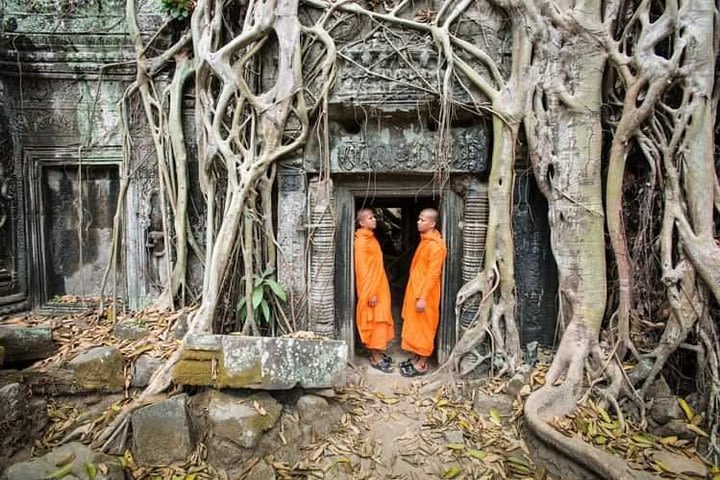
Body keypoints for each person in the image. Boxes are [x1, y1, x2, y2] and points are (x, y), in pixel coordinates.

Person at [400, 208, 447, 377]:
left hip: (425, 295)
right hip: (416, 292)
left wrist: (423, 298)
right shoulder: (425, 241)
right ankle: (416, 357)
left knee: (425, 328)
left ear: (432, 223)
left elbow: (433, 275)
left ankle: (422, 363)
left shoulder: (435, 246)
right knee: (414, 326)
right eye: (419, 219)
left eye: (422, 220)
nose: (418, 222)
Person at [354, 208, 394, 373]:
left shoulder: (371, 238)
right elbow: (362, 270)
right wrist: (370, 293)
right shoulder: (362, 242)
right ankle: (375, 357)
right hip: (371, 290)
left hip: (379, 286)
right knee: (374, 321)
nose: (374, 220)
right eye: (370, 218)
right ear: (361, 222)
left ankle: (377, 352)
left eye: (374, 217)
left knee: (381, 318)